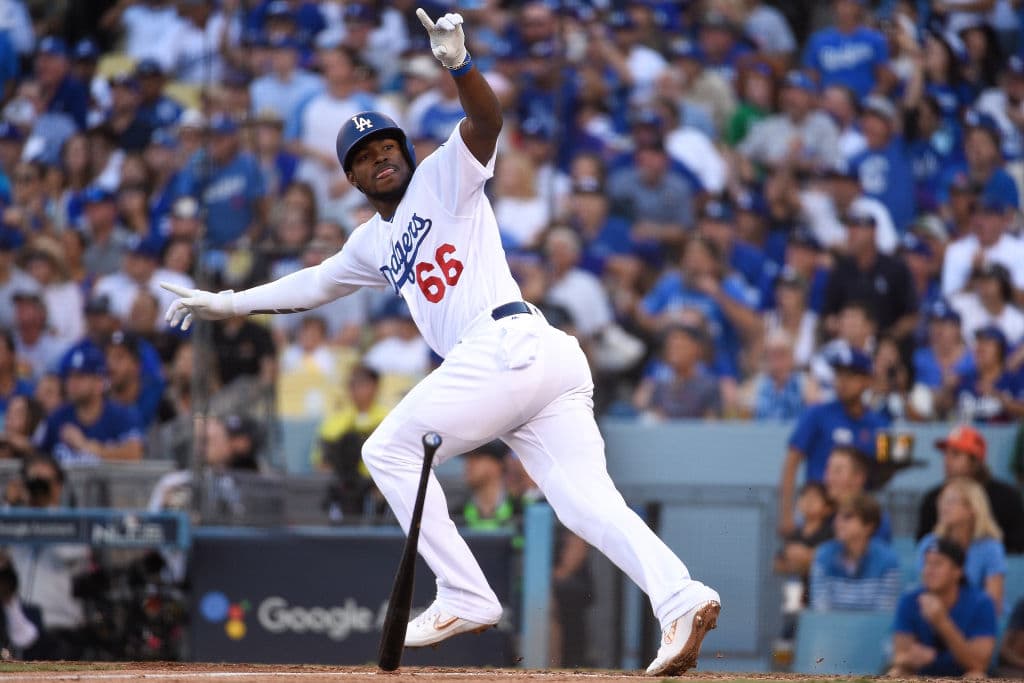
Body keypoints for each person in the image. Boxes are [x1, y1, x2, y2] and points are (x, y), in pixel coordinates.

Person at [160, 10, 720, 676]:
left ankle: (463, 591)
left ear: (402, 149)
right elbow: (312, 284)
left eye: (385, 147)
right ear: (352, 179)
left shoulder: (439, 175)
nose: (379, 158)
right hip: (526, 364)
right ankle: (681, 596)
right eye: (364, 157)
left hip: (506, 343)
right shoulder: (371, 241)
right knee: (585, 504)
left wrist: (461, 65)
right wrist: (228, 302)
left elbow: (486, 122)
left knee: (386, 449)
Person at [778, 347, 888, 537]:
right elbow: (791, 462)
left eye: (850, 376)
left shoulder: (879, 424)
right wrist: (786, 513)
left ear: (867, 380)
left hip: (858, 512)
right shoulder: (817, 414)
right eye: (839, 375)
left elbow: (884, 470)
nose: (842, 382)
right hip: (819, 511)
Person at [4, 454, 90, 660]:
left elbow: (70, 553)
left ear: (58, 487)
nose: (38, 487)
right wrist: (9, 506)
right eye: (33, 481)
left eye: (44, 482)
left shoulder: (73, 521)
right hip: (17, 627)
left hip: (58, 627)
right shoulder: (13, 519)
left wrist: (46, 511)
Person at [889, 538, 997, 678]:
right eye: (927, 563)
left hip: (961, 675)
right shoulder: (910, 600)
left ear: (958, 571)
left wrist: (942, 622)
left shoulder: (981, 603)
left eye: (937, 564)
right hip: (921, 675)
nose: (929, 570)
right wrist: (910, 659)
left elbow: (979, 664)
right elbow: (900, 655)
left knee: (976, 676)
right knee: (897, 673)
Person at [917, 424, 1024, 554]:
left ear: (975, 461)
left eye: (955, 454)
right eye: (945, 454)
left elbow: (1018, 546)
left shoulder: (1007, 497)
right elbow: (923, 546)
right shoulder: (933, 498)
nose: (947, 460)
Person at [33, 346, 143, 464]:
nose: (72, 383)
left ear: (99, 382)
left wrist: (86, 446)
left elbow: (135, 454)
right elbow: (35, 456)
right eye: (70, 376)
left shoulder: (122, 416)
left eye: (80, 376)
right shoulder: (56, 418)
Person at [916, 478, 1007, 613]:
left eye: (952, 501)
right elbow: (925, 591)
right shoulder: (929, 543)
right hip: (937, 614)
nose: (944, 507)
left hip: (978, 617)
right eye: (942, 501)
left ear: (973, 509)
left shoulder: (990, 548)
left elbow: (994, 604)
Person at [809, 493, 901, 611]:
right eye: (837, 516)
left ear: (868, 526)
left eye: (847, 517)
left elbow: (884, 614)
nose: (837, 522)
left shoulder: (888, 561)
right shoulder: (823, 555)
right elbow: (821, 611)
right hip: (831, 624)